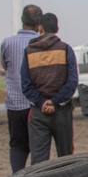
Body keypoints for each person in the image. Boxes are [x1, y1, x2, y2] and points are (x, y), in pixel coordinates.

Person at [20, 13, 78, 165]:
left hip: (38, 113)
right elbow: (72, 82)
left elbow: (26, 85)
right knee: (66, 158)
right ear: (57, 29)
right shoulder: (66, 49)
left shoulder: (28, 52)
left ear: (40, 28)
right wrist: (55, 102)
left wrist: (41, 103)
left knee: (38, 161)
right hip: (62, 112)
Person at [0, 4, 42, 172]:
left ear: (22, 20)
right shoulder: (40, 43)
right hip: (37, 105)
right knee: (38, 147)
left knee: (17, 145)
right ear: (40, 22)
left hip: (14, 104)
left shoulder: (7, 43)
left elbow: (5, 65)